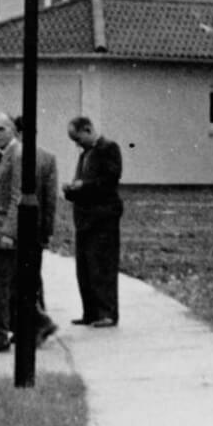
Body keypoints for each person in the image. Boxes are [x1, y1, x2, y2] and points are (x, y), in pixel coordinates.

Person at [0, 112, 58, 355]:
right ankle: (38, 323)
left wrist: (9, 233)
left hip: (11, 235)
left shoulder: (18, 155)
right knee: (14, 285)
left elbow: (19, 196)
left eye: (1, 129)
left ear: (13, 131)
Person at [63, 115, 123, 327]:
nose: (77, 144)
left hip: (103, 218)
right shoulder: (85, 154)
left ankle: (107, 312)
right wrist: (71, 191)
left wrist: (83, 187)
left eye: (78, 138)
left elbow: (109, 181)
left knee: (102, 266)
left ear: (88, 130)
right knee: (85, 268)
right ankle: (90, 312)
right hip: (85, 219)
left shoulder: (109, 148)